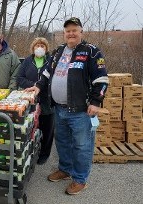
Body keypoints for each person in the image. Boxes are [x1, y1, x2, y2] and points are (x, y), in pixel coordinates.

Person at [26, 17, 109, 195]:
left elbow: (101, 80)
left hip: (81, 111)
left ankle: (80, 179)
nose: (71, 33)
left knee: (81, 146)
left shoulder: (91, 52)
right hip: (60, 109)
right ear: (64, 34)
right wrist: (38, 86)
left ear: (81, 32)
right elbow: (47, 72)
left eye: (74, 30)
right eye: (67, 31)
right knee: (62, 142)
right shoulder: (58, 51)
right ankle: (65, 170)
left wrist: (95, 102)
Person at [17, 37, 55, 165]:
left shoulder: (51, 61)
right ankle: (32, 151)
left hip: (47, 100)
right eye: (37, 45)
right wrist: (35, 85)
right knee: (32, 127)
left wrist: (41, 86)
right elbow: (20, 78)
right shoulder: (27, 61)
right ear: (33, 48)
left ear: (46, 48)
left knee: (48, 129)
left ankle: (44, 154)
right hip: (31, 100)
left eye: (42, 46)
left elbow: (54, 78)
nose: (40, 48)